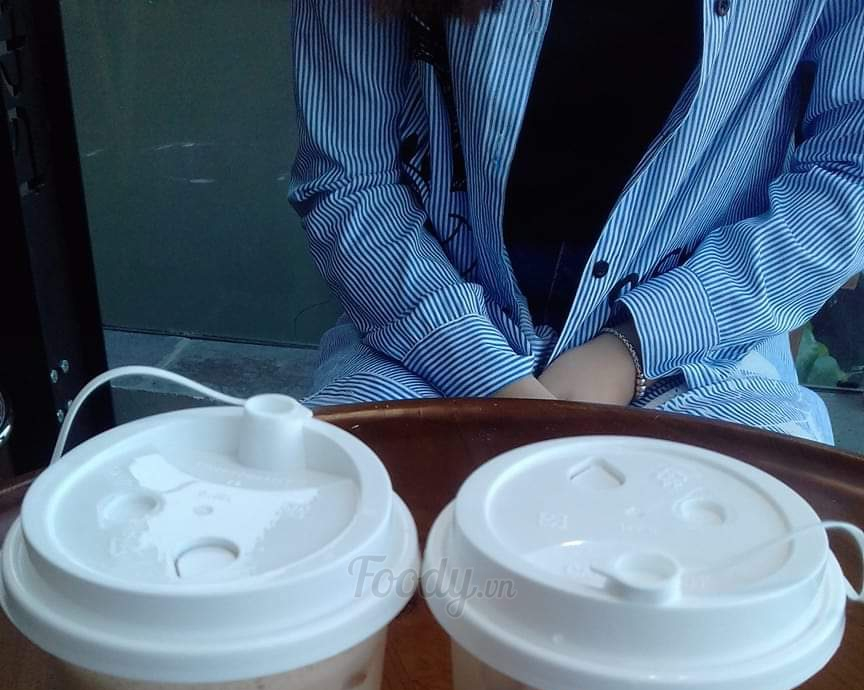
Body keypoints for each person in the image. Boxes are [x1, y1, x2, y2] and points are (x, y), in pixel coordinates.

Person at [288, 0, 864, 442]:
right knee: (356, 537)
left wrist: (634, 346)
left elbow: (847, 180)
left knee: (757, 548)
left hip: (709, 352)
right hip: (426, 330)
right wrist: (486, 373)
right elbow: (351, 182)